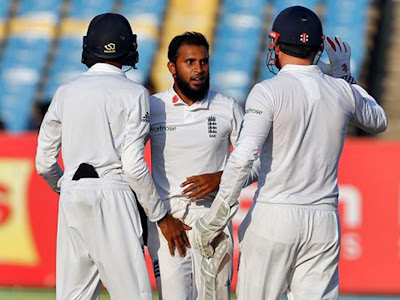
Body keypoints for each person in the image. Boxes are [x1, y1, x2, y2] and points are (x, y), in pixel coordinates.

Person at [194, 6, 387, 300]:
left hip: (274, 216)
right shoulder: (342, 90)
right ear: (319, 48)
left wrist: (218, 216)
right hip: (323, 221)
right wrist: (345, 74)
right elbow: (378, 120)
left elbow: (244, 156)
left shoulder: (268, 91)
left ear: (275, 42)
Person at [35, 13, 189, 300]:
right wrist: (160, 216)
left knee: (74, 296)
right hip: (114, 194)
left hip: (72, 194)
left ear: (88, 47)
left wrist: (67, 185)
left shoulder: (65, 92)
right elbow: (133, 164)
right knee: (133, 294)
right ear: (128, 48)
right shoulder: (134, 94)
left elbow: (44, 162)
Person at [146, 32, 259, 300]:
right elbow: (132, 162)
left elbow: (257, 163)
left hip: (214, 221)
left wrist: (222, 177)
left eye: (204, 62)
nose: (199, 69)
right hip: (168, 225)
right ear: (172, 67)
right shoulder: (153, 107)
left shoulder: (228, 107)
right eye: (190, 62)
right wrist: (160, 217)